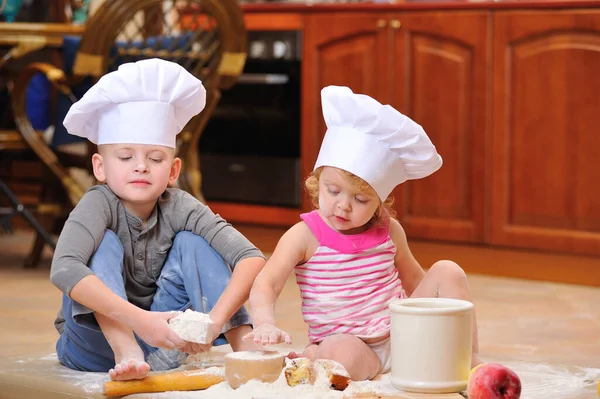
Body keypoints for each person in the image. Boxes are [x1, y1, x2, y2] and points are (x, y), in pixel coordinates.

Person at [243, 85, 481, 381]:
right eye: (333, 191)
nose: (343, 206)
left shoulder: (389, 230)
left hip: (401, 336)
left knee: (448, 270)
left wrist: (430, 315)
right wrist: (264, 323)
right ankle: (318, 356)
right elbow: (267, 283)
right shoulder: (304, 236)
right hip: (350, 345)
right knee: (340, 354)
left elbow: (415, 280)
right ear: (318, 183)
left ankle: (468, 361)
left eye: (360, 200)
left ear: (380, 201)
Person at [49, 58, 265, 381]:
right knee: (102, 242)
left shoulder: (180, 205)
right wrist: (138, 321)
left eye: (155, 158)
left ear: (173, 170)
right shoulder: (97, 203)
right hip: (89, 347)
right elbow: (64, 267)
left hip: (163, 347)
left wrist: (214, 322)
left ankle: (248, 352)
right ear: (100, 167)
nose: (141, 167)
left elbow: (251, 257)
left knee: (194, 242)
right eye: (125, 157)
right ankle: (126, 349)